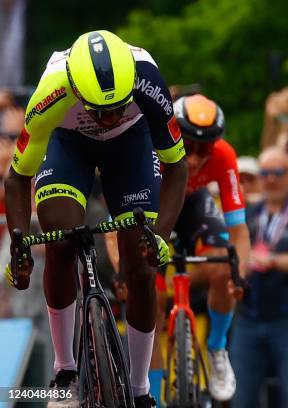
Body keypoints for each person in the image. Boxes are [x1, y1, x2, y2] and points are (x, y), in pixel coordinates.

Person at [4, 30, 187, 407]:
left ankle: (140, 389)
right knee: (59, 239)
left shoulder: (147, 81)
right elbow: (18, 176)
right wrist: (18, 243)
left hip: (131, 147)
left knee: (140, 265)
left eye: (119, 106)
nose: (110, 117)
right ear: (75, 88)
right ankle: (64, 371)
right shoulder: (49, 94)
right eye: (100, 110)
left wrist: (160, 237)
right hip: (67, 145)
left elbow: (177, 167)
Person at [170, 93, 251, 401]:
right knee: (144, 283)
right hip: (155, 200)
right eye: (187, 146)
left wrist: (239, 275)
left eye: (203, 149)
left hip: (193, 204)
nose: (193, 158)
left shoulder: (224, 156)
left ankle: (217, 348)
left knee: (223, 265)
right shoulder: (154, 147)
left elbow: (239, 230)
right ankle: (146, 383)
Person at [231, 146, 288, 408]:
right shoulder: (249, 213)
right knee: (241, 399)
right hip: (249, 318)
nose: (271, 179)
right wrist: (242, 264)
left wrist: (274, 261)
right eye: (265, 173)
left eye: (278, 172)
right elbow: (232, 251)